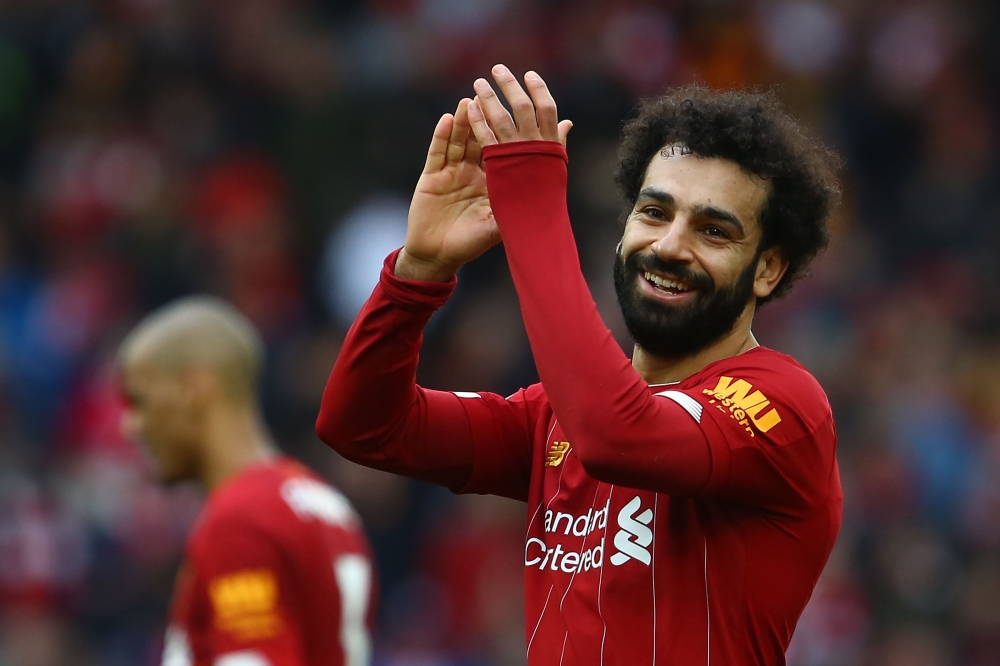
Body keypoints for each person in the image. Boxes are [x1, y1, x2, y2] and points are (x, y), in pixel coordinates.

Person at [317, 64, 843, 665]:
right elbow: (361, 425)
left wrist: (533, 209)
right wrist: (417, 274)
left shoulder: (784, 402)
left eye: (713, 230)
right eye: (653, 212)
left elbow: (619, 435)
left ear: (769, 269)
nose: (670, 245)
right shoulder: (553, 418)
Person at [119, 297, 375, 666]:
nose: (131, 427)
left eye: (140, 402)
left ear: (194, 389)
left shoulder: (240, 521)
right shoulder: (324, 505)